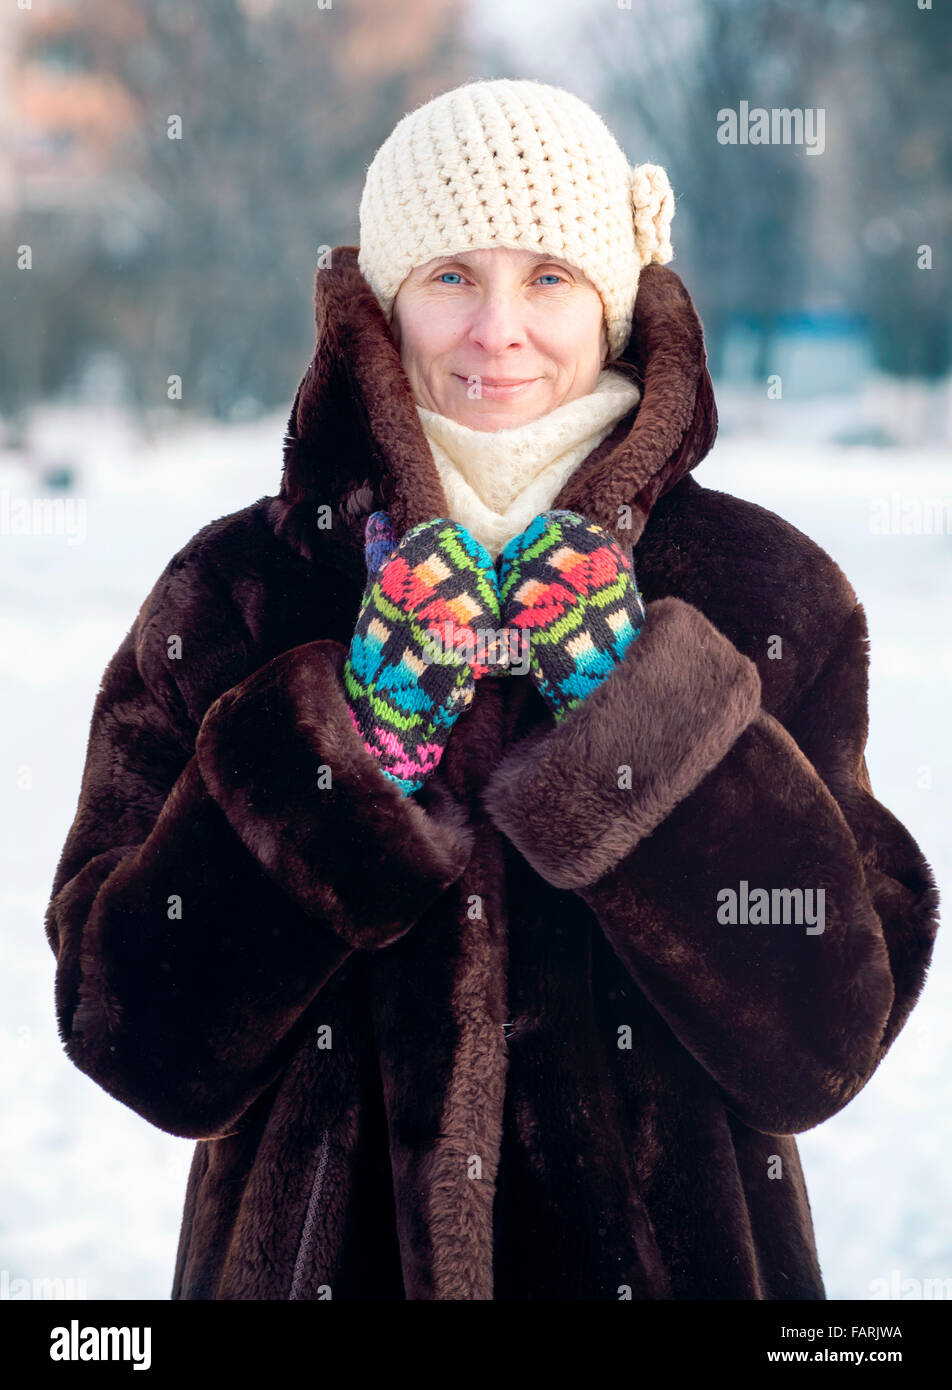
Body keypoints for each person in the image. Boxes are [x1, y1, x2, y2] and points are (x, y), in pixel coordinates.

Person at [45, 78, 938, 1301]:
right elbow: (132, 1033)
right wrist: (346, 751)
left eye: (550, 277)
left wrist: (643, 724)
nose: (497, 328)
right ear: (388, 301)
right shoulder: (238, 590)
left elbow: (826, 1039)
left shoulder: (767, 593)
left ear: (614, 303)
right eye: (451, 275)